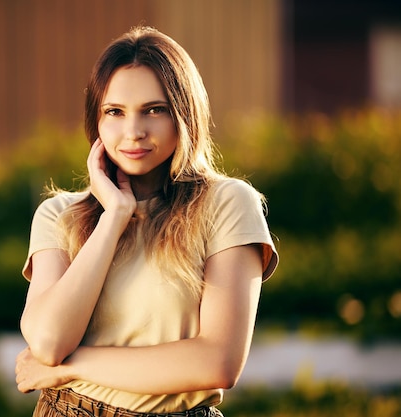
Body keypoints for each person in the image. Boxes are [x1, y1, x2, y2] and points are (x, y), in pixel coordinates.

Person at [15, 26, 278, 417]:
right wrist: (115, 216)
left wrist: (71, 366)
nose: (134, 132)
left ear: (183, 115)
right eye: (115, 112)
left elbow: (218, 363)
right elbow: (50, 342)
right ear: (96, 122)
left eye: (154, 110)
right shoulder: (59, 215)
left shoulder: (227, 203)